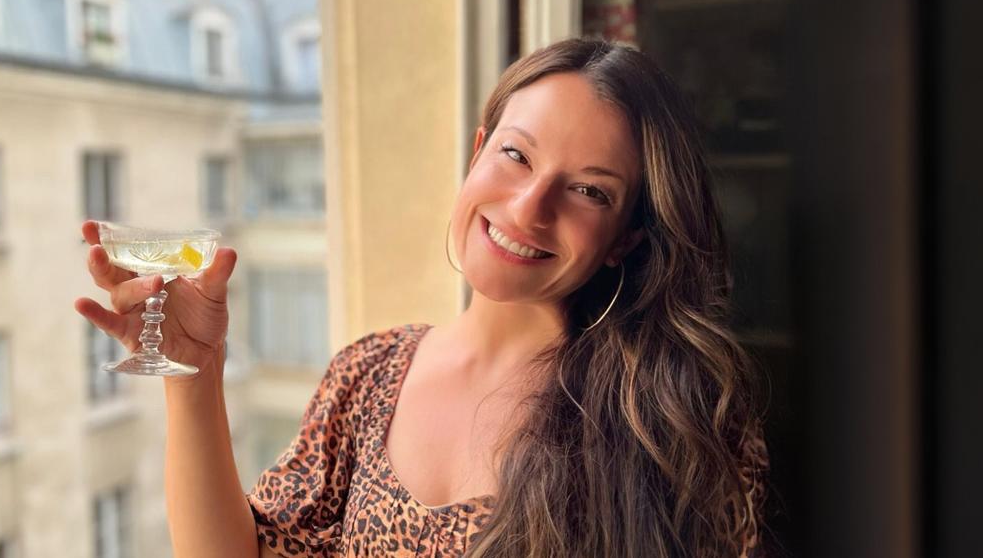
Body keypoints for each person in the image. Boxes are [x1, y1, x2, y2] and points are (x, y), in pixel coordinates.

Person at [75, 38, 769, 557]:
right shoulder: (367, 375)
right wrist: (192, 375)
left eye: (589, 190)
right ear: (477, 154)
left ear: (624, 238)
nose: (529, 208)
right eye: (516, 155)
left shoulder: (676, 416)